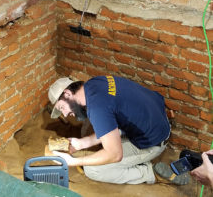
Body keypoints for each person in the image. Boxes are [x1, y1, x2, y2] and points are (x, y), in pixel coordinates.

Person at [48, 75, 189, 184]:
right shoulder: (94, 84)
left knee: (93, 169)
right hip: (155, 120)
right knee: (103, 144)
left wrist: (73, 162)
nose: (65, 114)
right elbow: (109, 121)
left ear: (67, 94)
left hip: (153, 141)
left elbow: (115, 154)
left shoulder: (97, 108)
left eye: (62, 108)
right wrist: (82, 143)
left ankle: (150, 172)